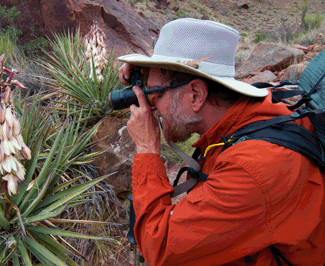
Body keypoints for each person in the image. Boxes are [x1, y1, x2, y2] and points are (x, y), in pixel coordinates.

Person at [118, 18, 325, 266]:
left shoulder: (253, 167)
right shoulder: (246, 114)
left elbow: (160, 246)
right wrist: (145, 75)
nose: (150, 104)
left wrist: (147, 149)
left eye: (155, 93)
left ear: (196, 94)